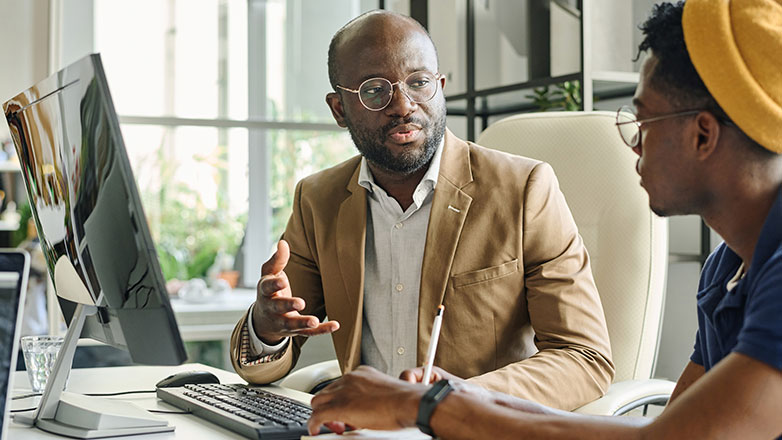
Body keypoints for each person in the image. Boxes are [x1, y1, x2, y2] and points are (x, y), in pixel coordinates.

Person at [305, 0, 782, 438]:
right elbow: (680, 428)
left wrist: (430, 405)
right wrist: (444, 400)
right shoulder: (726, 272)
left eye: (642, 121)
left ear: (702, 135)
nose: (632, 143)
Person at [229, 10, 614, 409]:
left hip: (477, 429)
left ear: (440, 87)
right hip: (364, 430)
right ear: (339, 109)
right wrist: (267, 326)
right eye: (375, 91)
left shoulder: (524, 189)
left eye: (419, 83)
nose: (403, 105)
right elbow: (260, 368)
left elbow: (585, 359)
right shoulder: (318, 199)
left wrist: (459, 396)